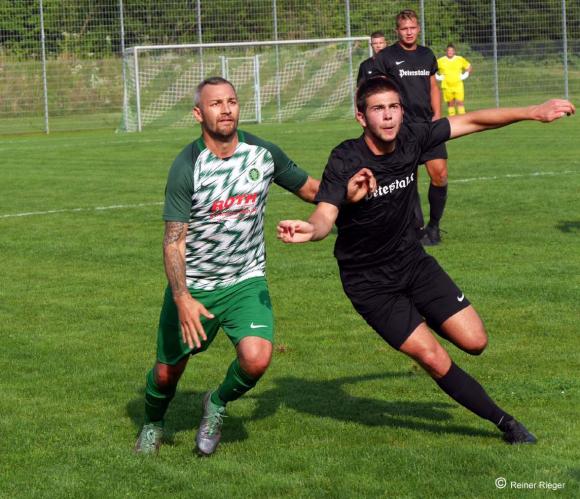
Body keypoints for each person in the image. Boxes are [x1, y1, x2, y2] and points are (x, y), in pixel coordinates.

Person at [277, 76, 575, 445]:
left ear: (402, 111)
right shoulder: (346, 158)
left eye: (393, 107)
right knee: (432, 358)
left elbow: (473, 121)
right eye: (377, 109)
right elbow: (325, 213)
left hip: (413, 263)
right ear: (361, 117)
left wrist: (532, 112)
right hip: (370, 283)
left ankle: (424, 321)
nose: (387, 117)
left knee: (475, 341)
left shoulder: (412, 138)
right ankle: (506, 424)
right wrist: (310, 229)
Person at [134, 76, 372, 456]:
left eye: (231, 101)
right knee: (166, 373)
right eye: (215, 103)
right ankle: (153, 423)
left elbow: (311, 190)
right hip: (195, 287)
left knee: (257, 359)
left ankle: (216, 402)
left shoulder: (263, 153)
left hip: (246, 280)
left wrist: (348, 193)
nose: (226, 109)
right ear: (199, 113)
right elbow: (173, 241)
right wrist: (181, 297)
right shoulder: (187, 166)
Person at [374, 9, 446, 246]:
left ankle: (434, 227)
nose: (409, 32)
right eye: (404, 29)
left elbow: (433, 86)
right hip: (402, 129)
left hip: (428, 126)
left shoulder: (427, 55)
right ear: (397, 31)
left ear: (418, 28)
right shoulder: (386, 57)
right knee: (408, 180)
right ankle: (416, 228)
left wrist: (437, 116)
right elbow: (380, 90)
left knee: (440, 175)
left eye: (412, 27)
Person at [436, 43, 472, 116]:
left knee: (460, 102)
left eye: (451, 51)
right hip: (447, 86)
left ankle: (462, 118)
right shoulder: (441, 61)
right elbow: (431, 69)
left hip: (458, 85)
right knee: (450, 103)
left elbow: (469, 67)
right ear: (446, 51)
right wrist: (437, 76)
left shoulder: (459, 59)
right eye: (448, 51)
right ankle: (452, 119)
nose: (450, 52)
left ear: (454, 51)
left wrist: (465, 74)